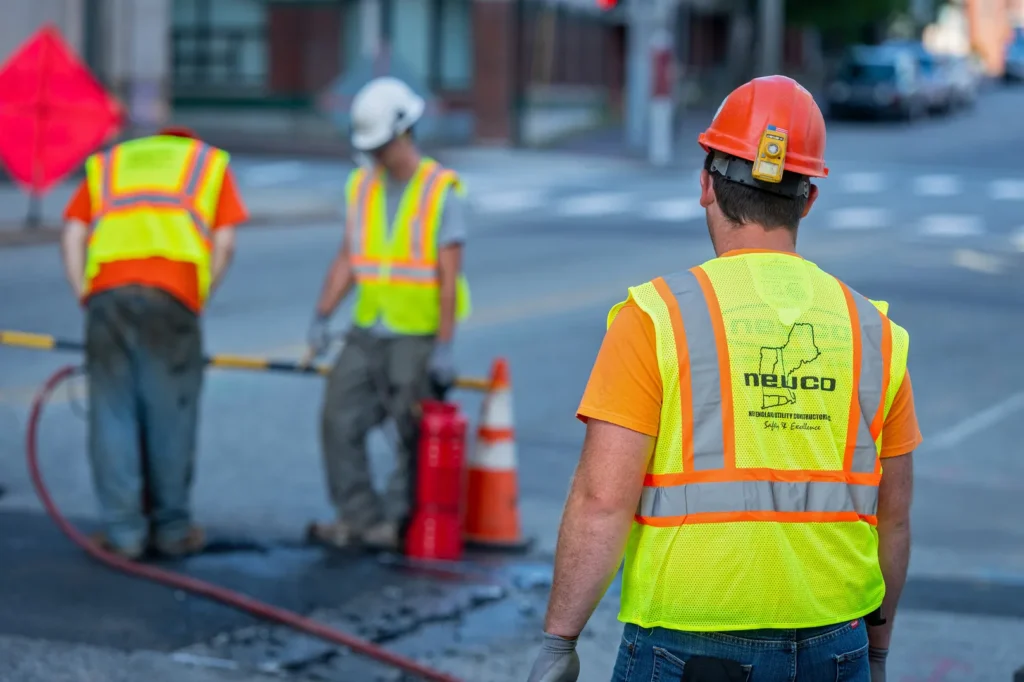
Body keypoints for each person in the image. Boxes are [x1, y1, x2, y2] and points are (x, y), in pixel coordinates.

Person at [526, 76, 921, 682]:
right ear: (808, 199)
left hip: (691, 649)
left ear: (706, 183)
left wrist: (560, 639)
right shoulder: (875, 333)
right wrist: (878, 651)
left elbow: (602, 501)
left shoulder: (655, 318)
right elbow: (892, 518)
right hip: (835, 642)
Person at [61, 125, 248, 559]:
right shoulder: (206, 164)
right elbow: (226, 242)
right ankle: (172, 530)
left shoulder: (112, 164)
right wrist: (199, 295)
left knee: (112, 411)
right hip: (173, 294)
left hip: (108, 292)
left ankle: (124, 534)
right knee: (171, 413)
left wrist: (83, 293)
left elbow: (72, 232)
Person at [305, 76, 471, 551]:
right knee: (338, 418)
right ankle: (359, 516)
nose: (375, 157)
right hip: (367, 329)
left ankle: (393, 523)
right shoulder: (361, 186)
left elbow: (447, 278)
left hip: (415, 334)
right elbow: (347, 257)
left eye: (381, 146)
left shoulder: (442, 190)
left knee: (410, 432)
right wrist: (322, 314)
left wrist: (443, 347)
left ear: (404, 133)